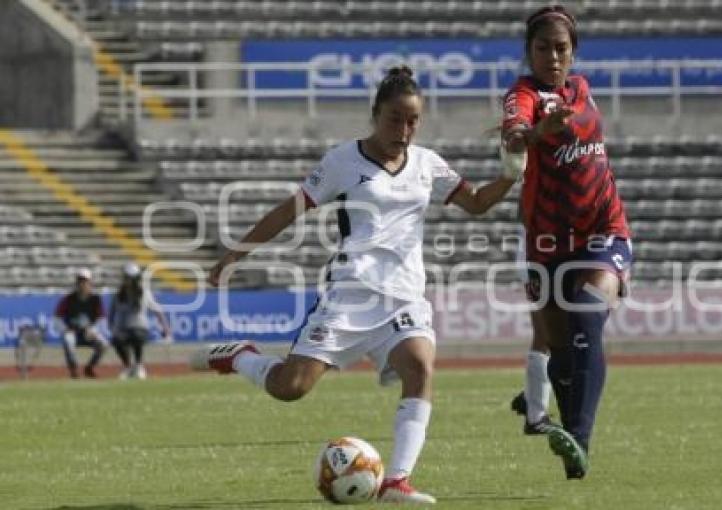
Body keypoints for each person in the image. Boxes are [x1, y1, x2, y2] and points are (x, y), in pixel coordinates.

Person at [190, 66, 525, 504]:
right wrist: (235, 252)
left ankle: (397, 481)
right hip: (350, 292)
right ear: (375, 115)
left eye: (412, 121)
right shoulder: (341, 161)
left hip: (404, 295)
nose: (403, 130)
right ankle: (240, 357)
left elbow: (478, 204)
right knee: (291, 388)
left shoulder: (427, 164)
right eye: (394, 119)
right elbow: (288, 211)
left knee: (420, 368)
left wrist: (512, 171)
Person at [501, 5, 633, 480]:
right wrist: (538, 131)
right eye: (543, 48)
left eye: (561, 48)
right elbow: (515, 139)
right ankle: (571, 446)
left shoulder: (581, 88)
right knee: (558, 348)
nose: (553, 57)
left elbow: (578, 128)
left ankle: (578, 437)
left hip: (605, 231)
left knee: (587, 316)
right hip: (548, 242)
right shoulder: (521, 95)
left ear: (573, 52)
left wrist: (558, 123)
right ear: (529, 51)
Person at [509, 229, 553, 435]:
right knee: (547, 337)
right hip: (539, 257)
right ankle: (535, 416)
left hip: (551, 255)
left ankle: (531, 399)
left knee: (555, 338)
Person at [109, 263, 171, 380]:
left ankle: (139, 366)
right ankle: (128, 366)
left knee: (137, 335)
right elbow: (111, 313)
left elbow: (157, 309)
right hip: (123, 329)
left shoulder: (144, 293)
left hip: (139, 328)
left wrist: (165, 328)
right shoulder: (118, 295)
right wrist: (112, 328)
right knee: (117, 339)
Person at [54, 268, 109, 378]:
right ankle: (74, 369)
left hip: (89, 333)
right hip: (73, 332)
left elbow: (102, 319)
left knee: (104, 344)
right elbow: (57, 318)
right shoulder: (68, 299)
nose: (82, 284)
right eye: (80, 281)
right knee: (68, 340)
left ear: (90, 283)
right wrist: (65, 329)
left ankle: (90, 367)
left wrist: (93, 330)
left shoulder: (95, 299)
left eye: (85, 281)